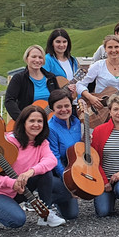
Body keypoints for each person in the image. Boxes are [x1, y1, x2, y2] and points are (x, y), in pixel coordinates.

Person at [0, 105, 66, 231]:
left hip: (18, 189)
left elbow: (51, 160)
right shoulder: (8, 142)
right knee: (17, 221)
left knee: (46, 174)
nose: (36, 125)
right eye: (32, 121)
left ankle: (45, 214)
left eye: (40, 121)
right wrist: (12, 183)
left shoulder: (41, 142)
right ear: (23, 122)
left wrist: (31, 172)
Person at [44, 89, 82, 221]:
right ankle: (44, 201)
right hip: (57, 172)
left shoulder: (76, 122)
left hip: (73, 168)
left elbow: (76, 148)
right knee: (67, 199)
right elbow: (55, 157)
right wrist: (68, 181)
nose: (64, 110)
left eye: (67, 106)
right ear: (52, 109)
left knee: (72, 214)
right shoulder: (50, 128)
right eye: (59, 107)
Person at [80, 35, 119, 111]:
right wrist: (91, 98)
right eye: (110, 47)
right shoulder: (98, 65)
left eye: (116, 47)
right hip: (101, 110)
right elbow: (80, 84)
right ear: (105, 49)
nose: (113, 50)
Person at [5, 45, 59, 120]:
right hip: (27, 123)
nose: (37, 60)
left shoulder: (51, 77)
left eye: (40, 57)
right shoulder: (19, 78)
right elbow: (9, 101)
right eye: (33, 57)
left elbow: (58, 98)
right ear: (26, 58)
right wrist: (22, 119)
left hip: (51, 120)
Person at [42, 28, 79, 93]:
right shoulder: (47, 60)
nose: (61, 45)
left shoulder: (73, 60)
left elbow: (78, 83)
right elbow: (43, 82)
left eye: (64, 42)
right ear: (52, 43)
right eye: (58, 42)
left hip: (73, 97)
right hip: (55, 97)